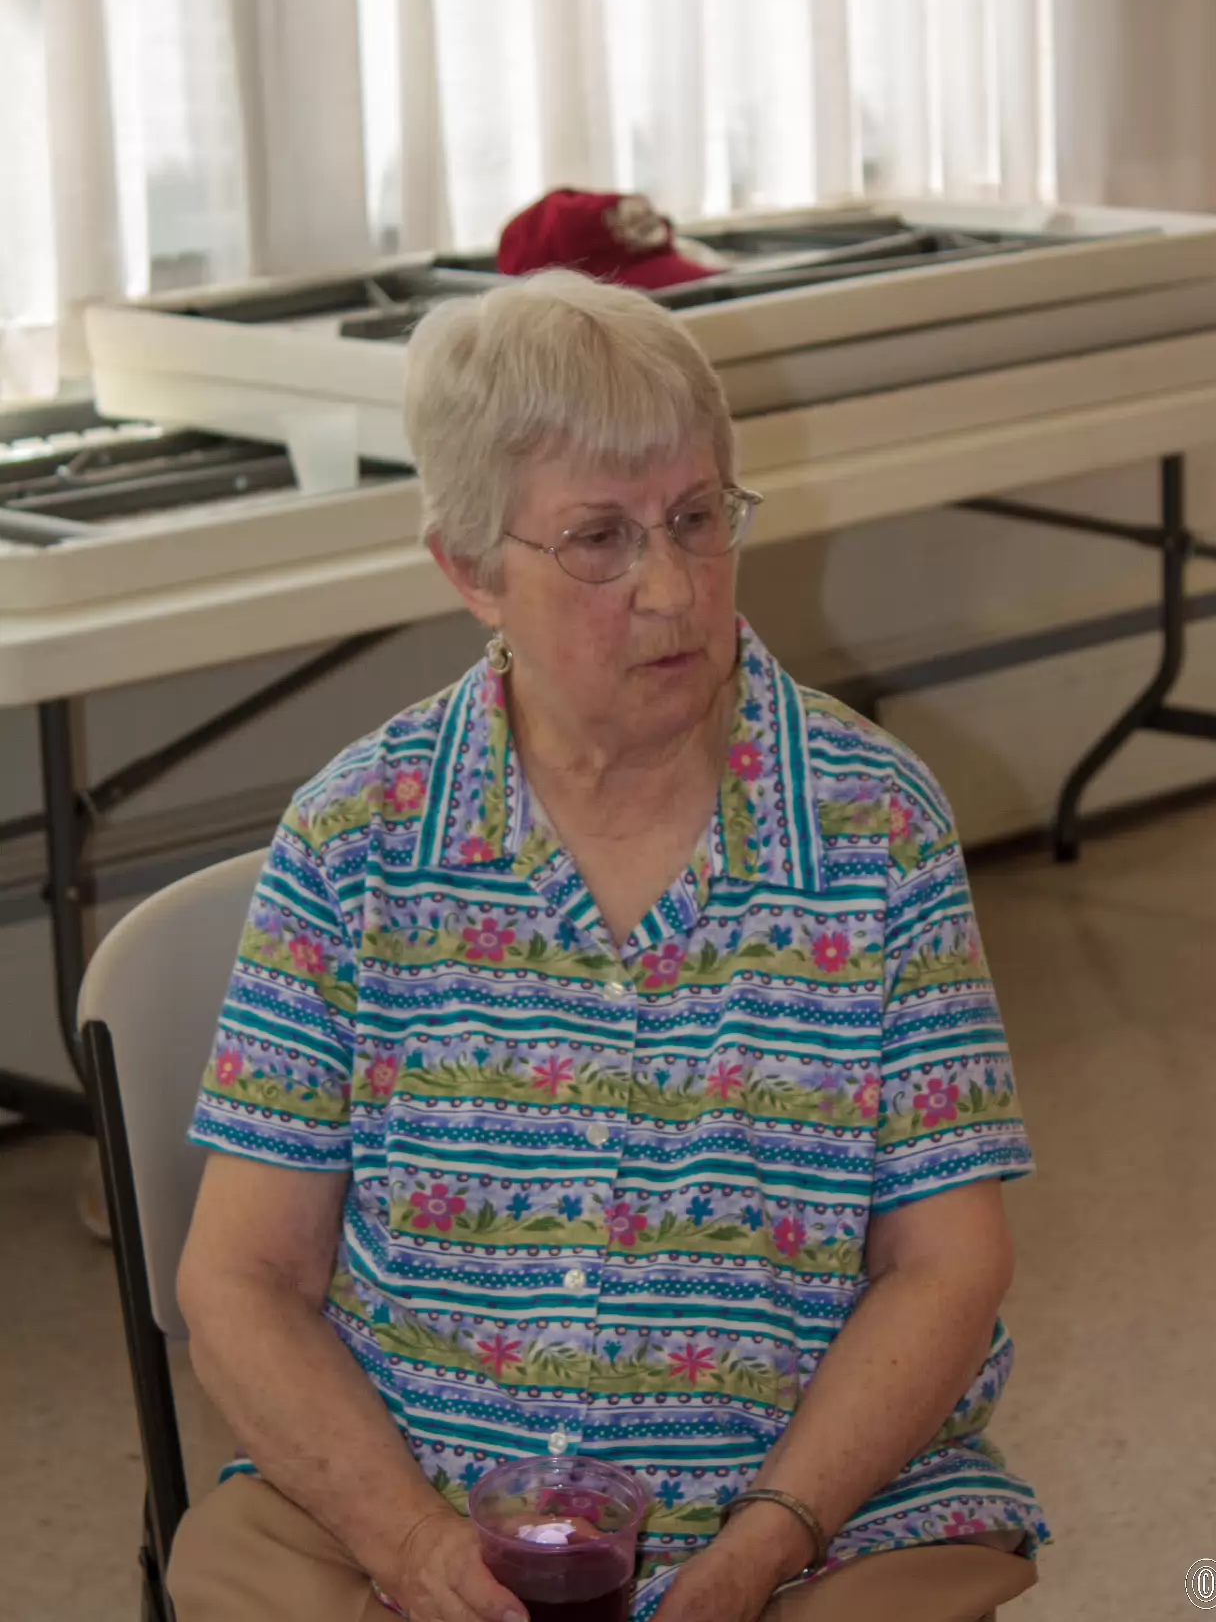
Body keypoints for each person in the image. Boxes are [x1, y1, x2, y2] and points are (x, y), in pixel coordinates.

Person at [169, 271, 1049, 1622]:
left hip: (814, 1516)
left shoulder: (873, 827)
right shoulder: (359, 838)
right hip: (411, 1495)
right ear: (470, 568)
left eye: (696, 519)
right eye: (599, 540)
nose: (673, 589)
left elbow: (945, 1264)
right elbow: (243, 1279)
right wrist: (411, 1543)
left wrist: (762, 1546)